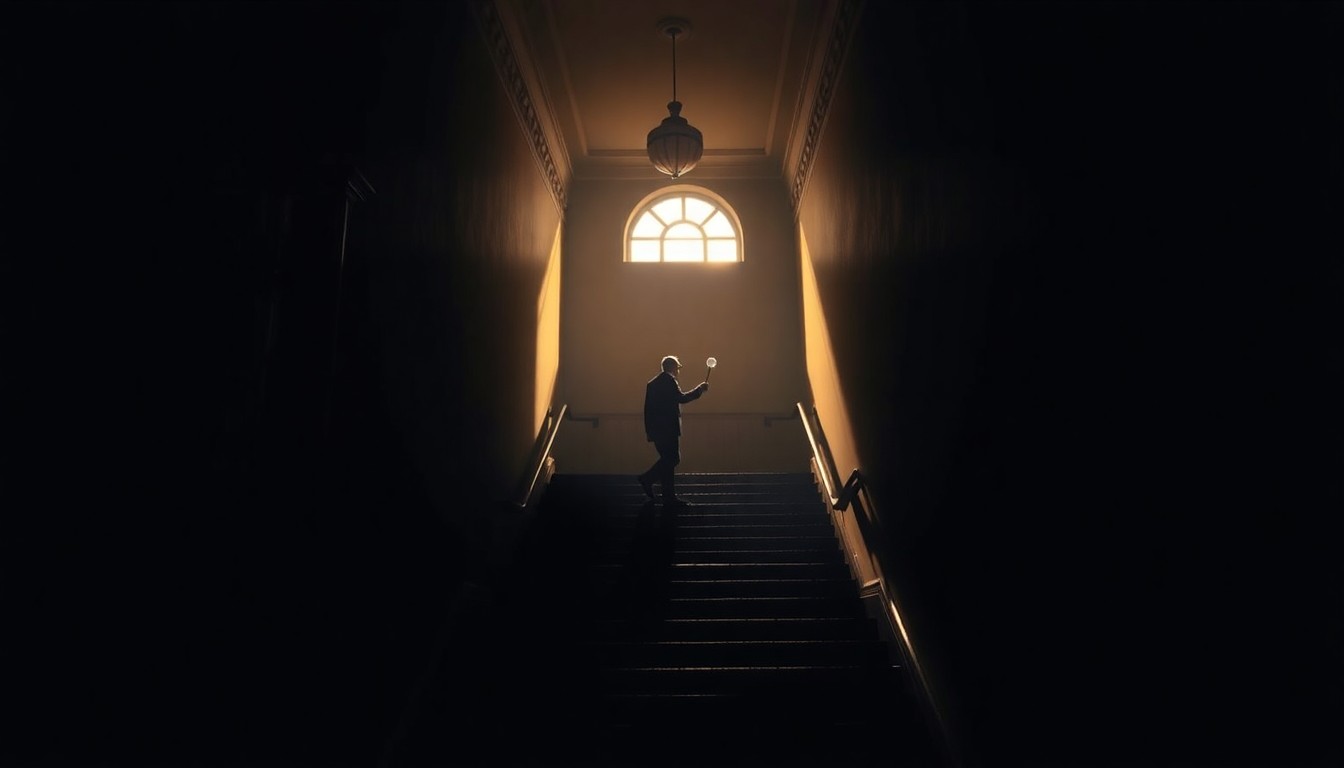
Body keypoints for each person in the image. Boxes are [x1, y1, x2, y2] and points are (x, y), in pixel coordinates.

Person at [637, 355, 709, 505]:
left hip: (656, 429)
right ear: (673, 367)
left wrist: (650, 431)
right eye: (677, 367)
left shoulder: (653, 383)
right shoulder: (669, 381)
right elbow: (681, 398)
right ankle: (647, 479)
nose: (678, 371)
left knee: (667, 461)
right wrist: (699, 390)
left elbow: (648, 409)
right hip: (668, 428)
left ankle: (669, 496)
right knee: (673, 458)